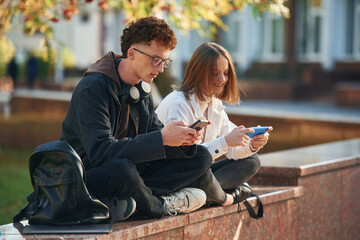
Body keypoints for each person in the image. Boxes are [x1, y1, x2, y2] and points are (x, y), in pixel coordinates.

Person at [60, 17, 229, 222]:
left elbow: (154, 139)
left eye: (165, 62)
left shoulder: (141, 89)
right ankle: (160, 206)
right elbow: (101, 153)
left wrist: (182, 141)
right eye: (155, 60)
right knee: (123, 170)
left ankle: (130, 201)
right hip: (89, 176)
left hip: (134, 173)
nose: (160, 68)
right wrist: (161, 139)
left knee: (200, 157)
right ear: (132, 54)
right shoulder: (92, 89)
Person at [156, 42, 273, 206]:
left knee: (252, 160)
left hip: (198, 176)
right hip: (172, 175)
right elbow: (181, 161)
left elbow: (232, 150)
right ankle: (218, 196)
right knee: (203, 166)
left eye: (225, 73)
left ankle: (200, 195)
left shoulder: (215, 105)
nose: (222, 79)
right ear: (198, 73)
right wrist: (225, 142)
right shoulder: (178, 104)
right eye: (214, 73)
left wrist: (252, 143)